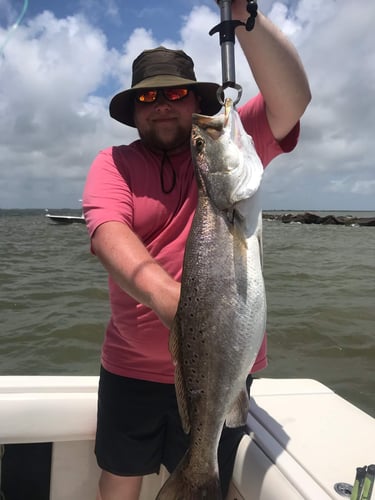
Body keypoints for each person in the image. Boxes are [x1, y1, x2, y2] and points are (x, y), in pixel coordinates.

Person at [83, 1, 311, 499]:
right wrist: (176, 304)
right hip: (130, 371)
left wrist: (241, 14)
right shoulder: (113, 163)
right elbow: (107, 235)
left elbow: (292, 100)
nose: (163, 104)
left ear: (196, 102)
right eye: (149, 97)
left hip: (228, 365)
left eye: (177, 93)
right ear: (134, 110)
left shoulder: (223, 143)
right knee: (118, 483)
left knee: (210, 478)